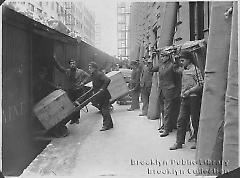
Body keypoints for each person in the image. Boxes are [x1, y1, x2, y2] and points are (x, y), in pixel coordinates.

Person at [169, 51, 203, 150]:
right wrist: (174, 58)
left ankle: (197, 140)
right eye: (180, 60)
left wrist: (189, 91)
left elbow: (201, 84)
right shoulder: (184, 70)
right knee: (181, 120)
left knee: (195, 120)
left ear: (189, 60)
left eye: (183, 60)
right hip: (185, 98)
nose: (181, 62)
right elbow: (175, 69)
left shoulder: (195, 70)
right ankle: (179, 142)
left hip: (194, 98)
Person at [150, 51, 181, 137]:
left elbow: (178, 75)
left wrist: (176, 58)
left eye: (164, 56)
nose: (162, 58)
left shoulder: (172, 65)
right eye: (161, 56)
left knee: (167, 109)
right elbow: (151, 69)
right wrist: (151, 59)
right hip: (162, 89)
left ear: (168, 57)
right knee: (163, 109)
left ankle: (167, 129)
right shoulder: (161, 65)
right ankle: (166, 126)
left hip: (170, 89)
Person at [52, 56, 90, 124]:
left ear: (76, 64)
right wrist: (54, 59)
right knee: (70, 105)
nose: (72, 65)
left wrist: (83, 82)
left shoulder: (80, 71)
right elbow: (59, 68)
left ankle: (77, 118)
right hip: (70, 91)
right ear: (69, 65)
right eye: (71, 64)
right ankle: (73, 119)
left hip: (78, 90)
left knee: (77, 105)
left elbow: (87, 76)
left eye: (74, 63)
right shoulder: (67, 71)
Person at [34, 67, 69, 138]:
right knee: (50, 117)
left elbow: (50, 85)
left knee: (49, 117)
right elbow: (49, 85)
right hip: (41, 103)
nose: (43, 76)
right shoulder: (40, 82)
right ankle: (55, 130)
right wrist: (58, 89)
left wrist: (57, 88)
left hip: (42, 102)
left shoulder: (41, 81)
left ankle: (52, 130)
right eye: (42, 74)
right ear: (40, 74)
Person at [88, 62, 113, 131]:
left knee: (104, 110)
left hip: (104, 95)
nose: (89, 69)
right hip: (100, 95)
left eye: (90, 68)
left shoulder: (99, 74)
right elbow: (97, 83)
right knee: (104, 110)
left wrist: (102, 88)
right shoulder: (93, 75)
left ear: (94, 68)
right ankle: (110, 124)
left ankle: (106, 125)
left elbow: (107, 80)